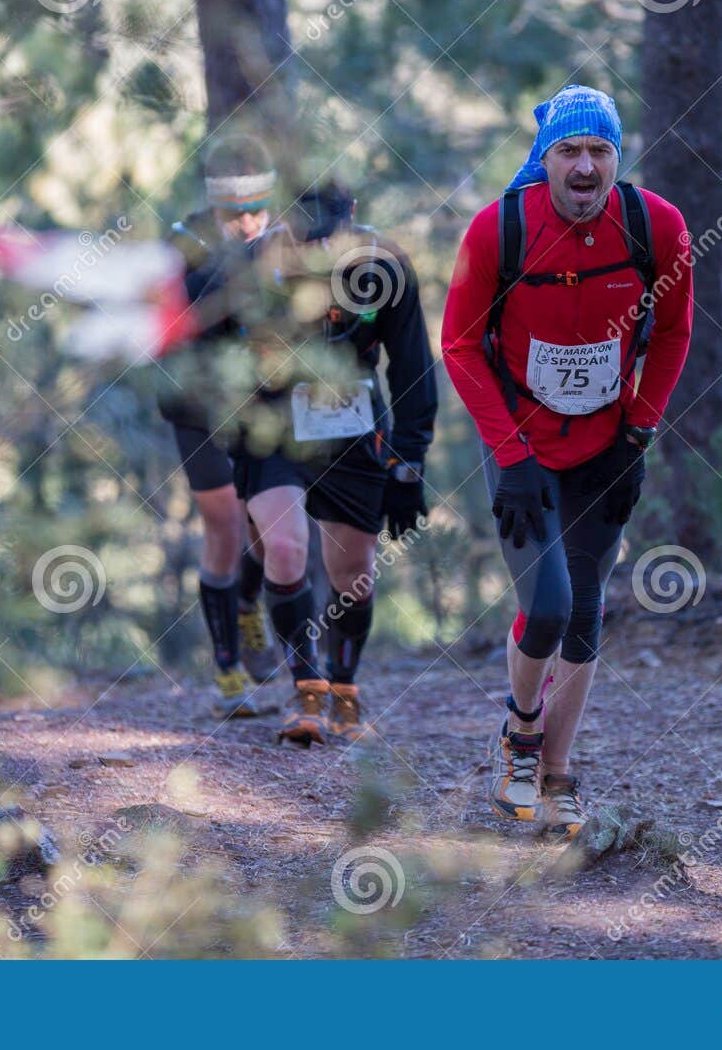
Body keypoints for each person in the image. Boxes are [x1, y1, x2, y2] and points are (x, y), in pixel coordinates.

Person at [441, 85, 693, 839]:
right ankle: (521, 731)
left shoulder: (658, 227)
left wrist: (640, 434)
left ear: (618, 156)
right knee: (545, 605)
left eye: (600, 151)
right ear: (544, 159)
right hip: (522, 449)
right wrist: (509, 453)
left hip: (606, 446)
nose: (585, 166)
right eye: (569, 151)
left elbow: (675, 333)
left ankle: (555, 774)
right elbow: (458, 344)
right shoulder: (499, 231)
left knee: (585, 612)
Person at [232, 183, 437, 746]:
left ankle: (344, 689)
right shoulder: (252, 262)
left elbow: (414, 364)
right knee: (286, 545)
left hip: (354, 427)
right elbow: (215, 353)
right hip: (273, 424)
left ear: (352, 217)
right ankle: (307, 688)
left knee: (353, 575)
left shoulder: (385, 264)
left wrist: (410, 459)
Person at [159, 135, 279, 716]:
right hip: (196, 406)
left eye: (262, 208)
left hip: (258, 405)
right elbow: (193, 312)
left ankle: (249, 603)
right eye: (239, 213)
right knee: (225, 524)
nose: (253, 221)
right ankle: (227, 670)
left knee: (264, 524)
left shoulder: (276, 241)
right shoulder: (186, 244)